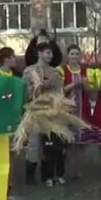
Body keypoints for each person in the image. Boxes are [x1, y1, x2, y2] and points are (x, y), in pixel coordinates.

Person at [23, 42, 66, 186]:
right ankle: (30, 175)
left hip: (50, 111)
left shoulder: (54, 72)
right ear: (39, 53)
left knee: (49, 143)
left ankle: (46, 175)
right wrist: (39, 86)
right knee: (34, 144)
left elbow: (59, 92)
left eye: (52, 53)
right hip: (35, 111)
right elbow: (26, 93)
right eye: (47, 52)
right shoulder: (29, 71)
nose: (50, 56)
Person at [60, 45, 91, 183]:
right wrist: (73, 84)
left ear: (80, 56)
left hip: (82, 109)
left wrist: (84, 84)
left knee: (81, 143)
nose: (74, 56)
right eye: (72, 54)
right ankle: (68, 170)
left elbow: (90, 90)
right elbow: (60, 90)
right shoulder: (62, 70)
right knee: (68, 142)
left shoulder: (85, 70)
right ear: (68, 56)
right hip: (67, 110)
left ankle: (79, 171)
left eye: (77, 54)